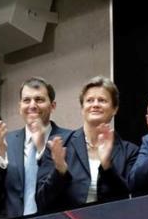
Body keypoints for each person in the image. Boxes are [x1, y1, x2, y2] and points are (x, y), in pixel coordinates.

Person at [36, 77, 138, 211]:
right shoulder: (59, 145)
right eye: (89, 100)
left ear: (115, 109)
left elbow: (130, 201)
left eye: (102, 100)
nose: (95, 104)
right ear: (82, 108)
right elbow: (41, 202)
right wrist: (60, 171)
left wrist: (107, 166)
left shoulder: (130, 151)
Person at [0, 77, 72, 219]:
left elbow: (71, 190)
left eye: (39, 99)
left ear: (52, 106)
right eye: (26, 100)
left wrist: (42, 151)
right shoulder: (7, 141)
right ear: (19, 107)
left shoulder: (69, 139)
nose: (32, 105)